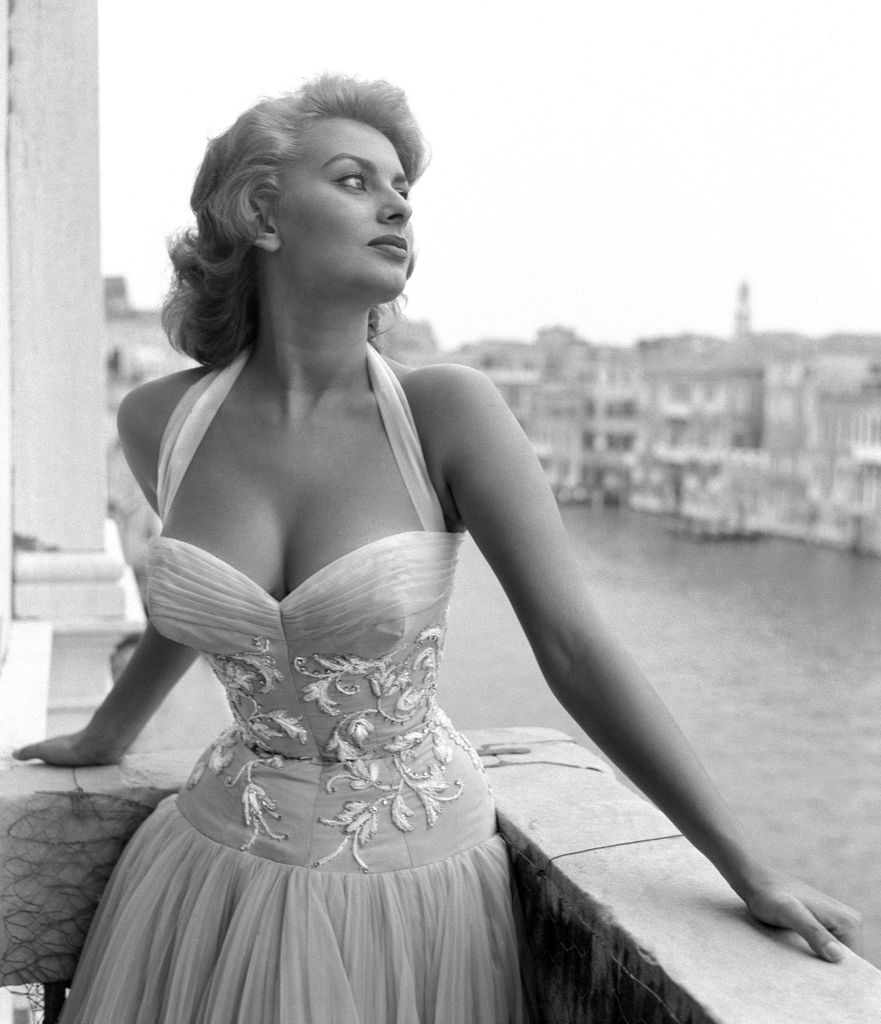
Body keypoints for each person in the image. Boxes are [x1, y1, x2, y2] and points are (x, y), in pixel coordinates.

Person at [14, 73, 860, 1023]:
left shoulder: (447, 412)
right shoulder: (160, 419)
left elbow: (574, 649)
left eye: (402, 191)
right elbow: (210, 596)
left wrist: (743, 863)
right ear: (261, 210)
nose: (395, 207)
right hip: (210, 874)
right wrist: (107, 734)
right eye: (354, 180)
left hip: (410, 892)